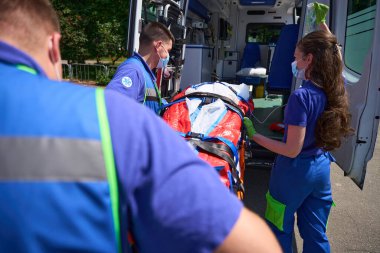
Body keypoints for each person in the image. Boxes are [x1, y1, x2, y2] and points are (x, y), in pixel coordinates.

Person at [0, 1, 282, 253]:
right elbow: (252, 243)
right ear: (54, 46)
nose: (168, 58)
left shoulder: (143, 74)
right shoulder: (116, 98)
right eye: (168, 52)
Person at [244, 29, 353, 253]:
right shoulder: (335, 87)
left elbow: (292, 149)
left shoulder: (301, 97)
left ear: (309, 59)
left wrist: (255, 136)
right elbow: (336, 58)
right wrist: (326, 31)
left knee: (279, 229)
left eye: (296, 58)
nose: (294, 62)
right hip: (321, 168)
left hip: (294, 172)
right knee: (315, 233)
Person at [106, 22, 174, 115]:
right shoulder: (132, 71)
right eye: (168, 50)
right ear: (158, 46)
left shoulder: (144, 72)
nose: (168, 56)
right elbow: (112, 108)